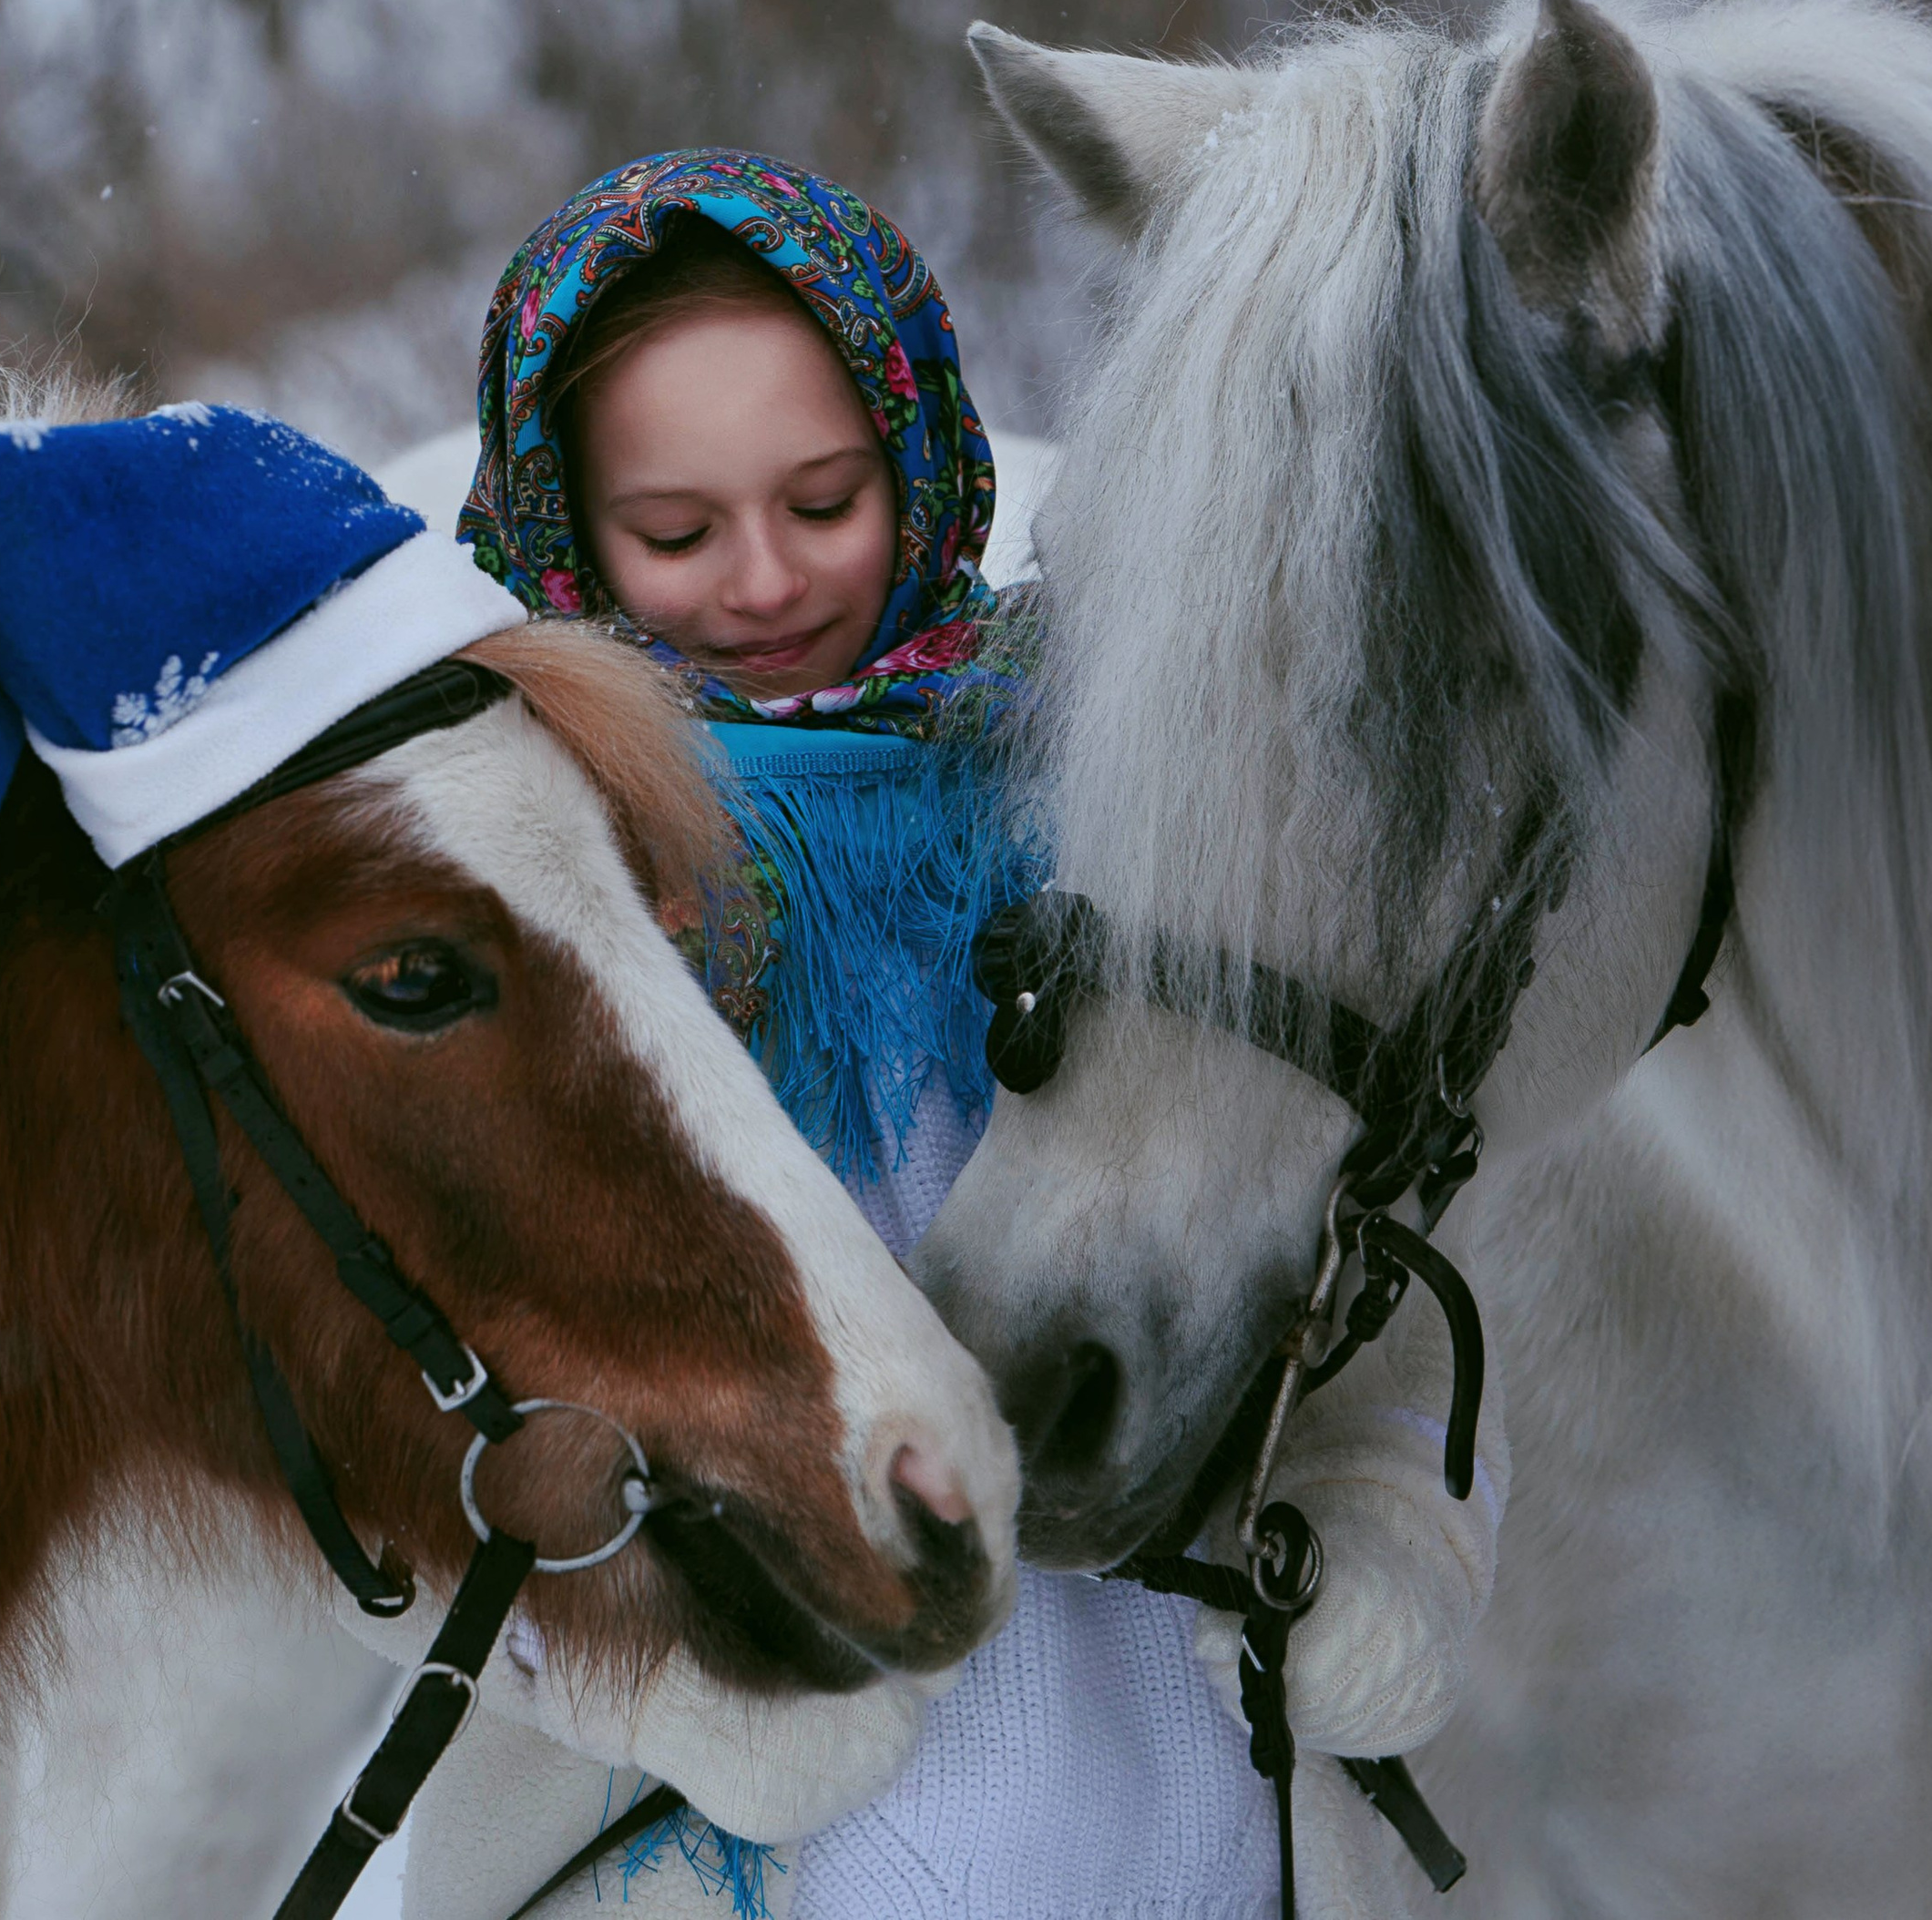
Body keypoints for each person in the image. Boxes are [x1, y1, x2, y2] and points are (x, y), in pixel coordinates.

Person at [444, 150, 1505, 1920]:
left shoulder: (1123, 792)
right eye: (677, 531)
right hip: (735, 1833)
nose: (767, 580)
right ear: (563, 521)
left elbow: (1349, 1197)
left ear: (918, 449)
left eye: (825, 496)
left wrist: (1387, 1502)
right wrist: (628, 1651)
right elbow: (405, 1386)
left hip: (1191, 1794)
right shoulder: (526, 884)